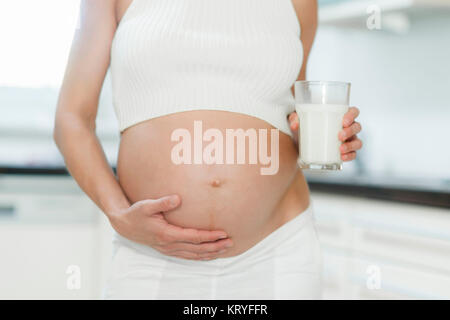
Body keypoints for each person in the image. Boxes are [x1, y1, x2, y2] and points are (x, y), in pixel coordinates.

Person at [54, 0, 362, 299]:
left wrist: (327, 138)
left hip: (276, 252)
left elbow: (296, 116)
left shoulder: (301, 2)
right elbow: (72, 119)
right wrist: (118, 213)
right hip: (153, 257)